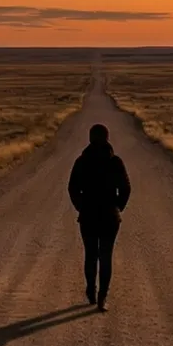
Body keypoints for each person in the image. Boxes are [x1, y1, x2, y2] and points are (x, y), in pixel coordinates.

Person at [67, 123, 131, 310]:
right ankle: (102, 297)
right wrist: (118, 207)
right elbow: (126, 188)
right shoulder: (115, 162)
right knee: (105, 256)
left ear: (90, 138)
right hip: (110, 216)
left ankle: (91, 290)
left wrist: (81, 206)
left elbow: (72, 188)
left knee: (90, 255)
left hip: (88, 215)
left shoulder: (81, 161)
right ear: (107, 138)